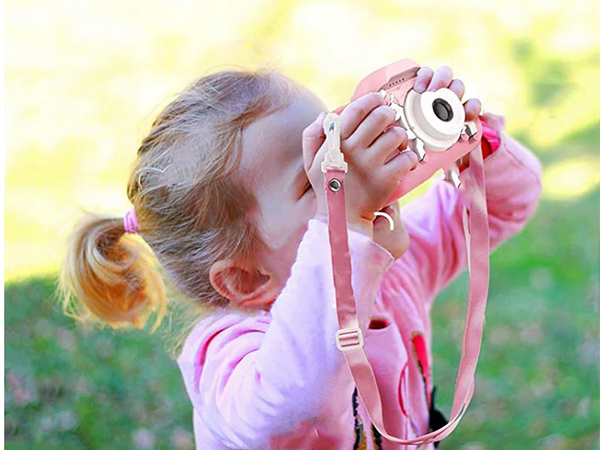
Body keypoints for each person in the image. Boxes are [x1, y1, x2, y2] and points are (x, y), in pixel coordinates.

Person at [57, 65, 542, 450]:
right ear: (246, 280)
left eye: (333, 140)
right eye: (316, 179)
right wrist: (348, 225)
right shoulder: (230, 354)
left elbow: (502, 206)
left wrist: (469, 144)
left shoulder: (394, 267)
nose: (347, 169)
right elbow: (297, 401)